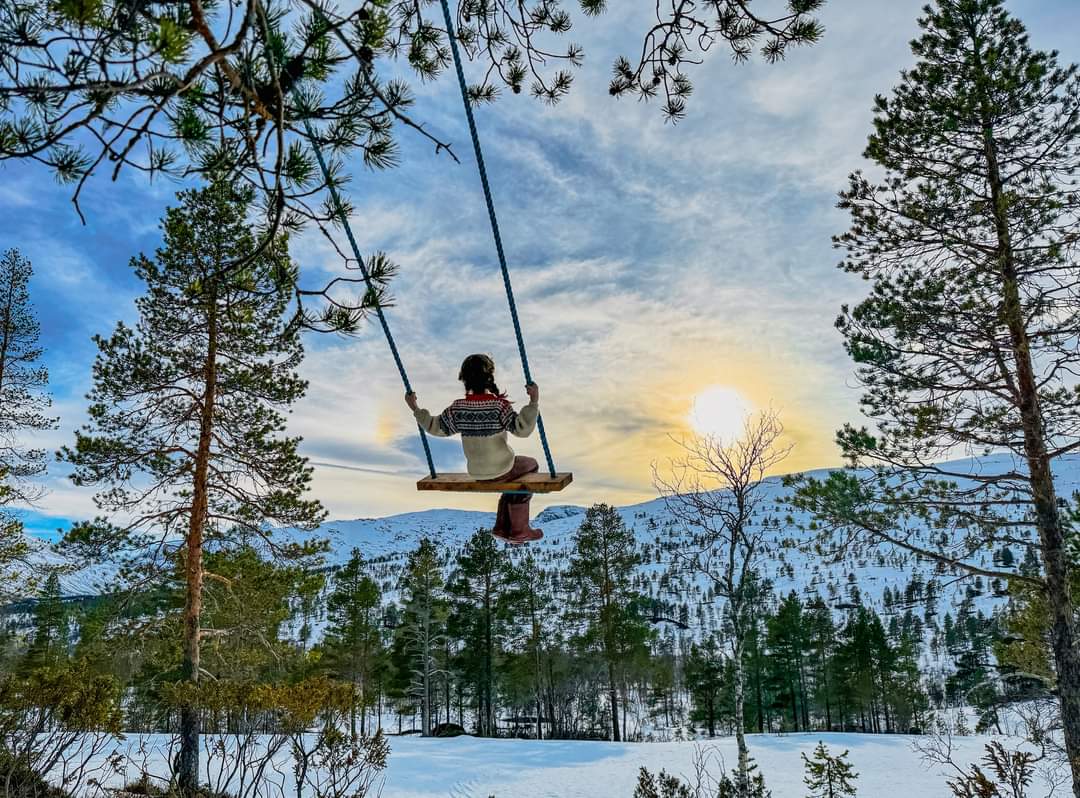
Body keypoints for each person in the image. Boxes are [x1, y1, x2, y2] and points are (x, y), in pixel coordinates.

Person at [406, 354, 543, 544]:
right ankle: (519, 529)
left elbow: (434, 426)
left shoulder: (458, 408)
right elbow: (522, 429)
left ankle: (503, 528)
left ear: (463, 379)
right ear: (490, 377)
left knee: (513, 482)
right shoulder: (498, 406)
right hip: (502, 469)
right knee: (531, 465)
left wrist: (415, 407)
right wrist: (533, 401)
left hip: (477, 472)